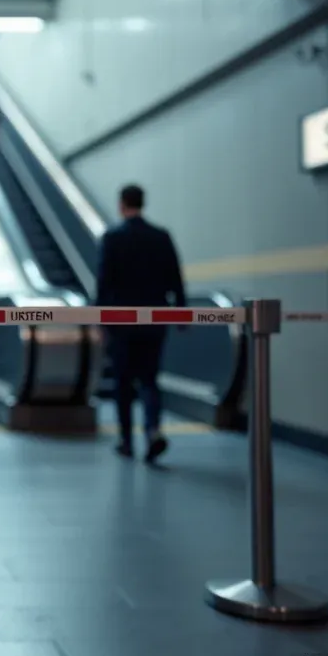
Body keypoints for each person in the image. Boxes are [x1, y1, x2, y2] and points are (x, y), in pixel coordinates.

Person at [94, 184, 186, 463]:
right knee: (149, 379)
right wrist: (181, 312)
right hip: (155, 320)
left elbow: (103, 282)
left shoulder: (112, 238)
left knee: (123, 381)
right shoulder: (161, 237)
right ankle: (153, 432)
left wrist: (99, 318)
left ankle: (126, 440)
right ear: (142, 204)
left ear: (122, 204)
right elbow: (175, 278)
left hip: (121, 323)